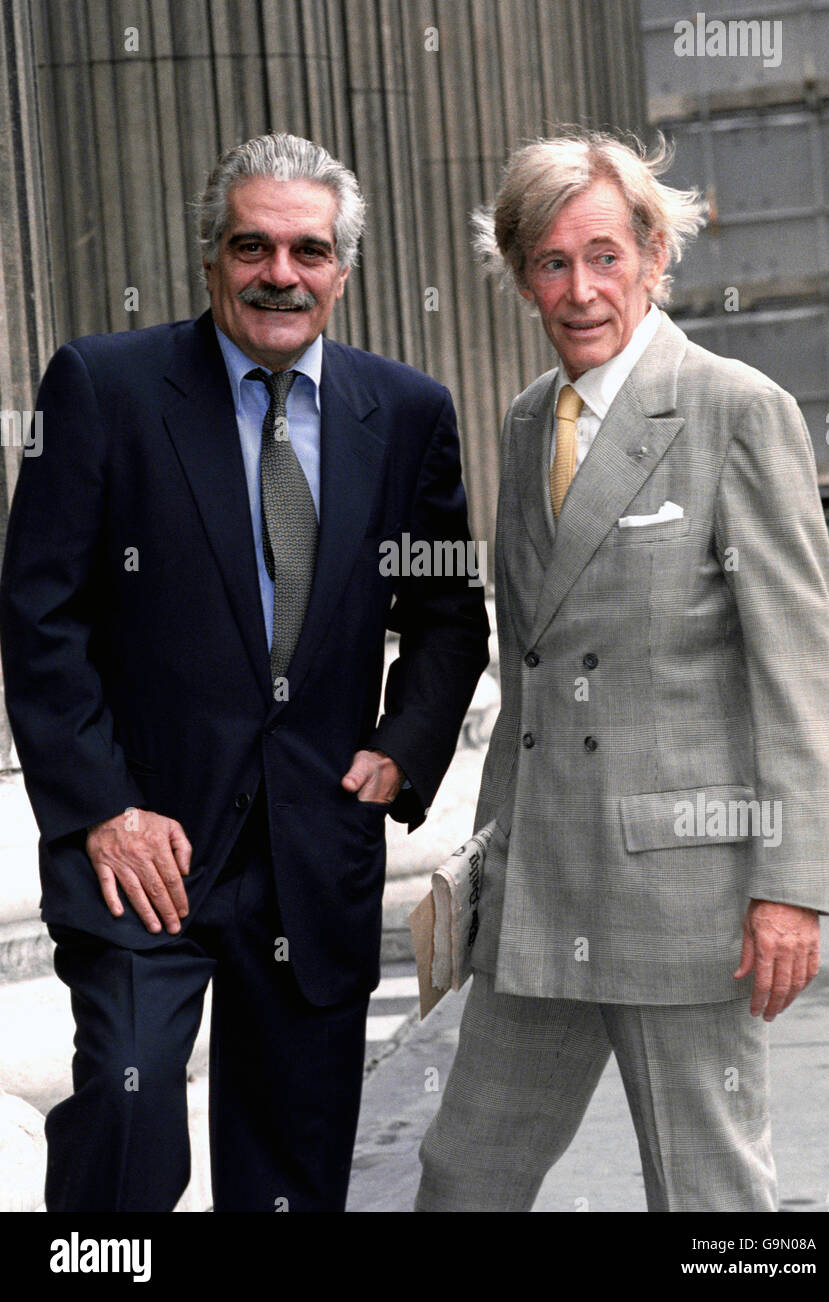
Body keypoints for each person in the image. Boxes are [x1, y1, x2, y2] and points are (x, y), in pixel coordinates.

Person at [0, 131, 489, 1213]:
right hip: (145, 847)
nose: (281, 273)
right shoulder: (102, 386)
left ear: (342, 271)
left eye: (308, 250)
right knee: (126, 1130)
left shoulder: (406, 415)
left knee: (290, 1177)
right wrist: (103, 809)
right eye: (252, 245)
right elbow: (39, 619)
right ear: (209, 259)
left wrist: (398, 753)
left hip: (311, 847)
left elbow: (449, 615)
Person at [415, 130, 829, 1212]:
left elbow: (801, 675)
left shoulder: (732, 410)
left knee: (708, 1196)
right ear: (520, 274)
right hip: (539, 889)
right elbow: (528, 676)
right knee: (461, 1177)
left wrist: (788, 890)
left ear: (655, 254)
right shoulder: (525, 425)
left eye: (604, 255)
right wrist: (485, 867)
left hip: (684, 903)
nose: (579, 290)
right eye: (551, 262)